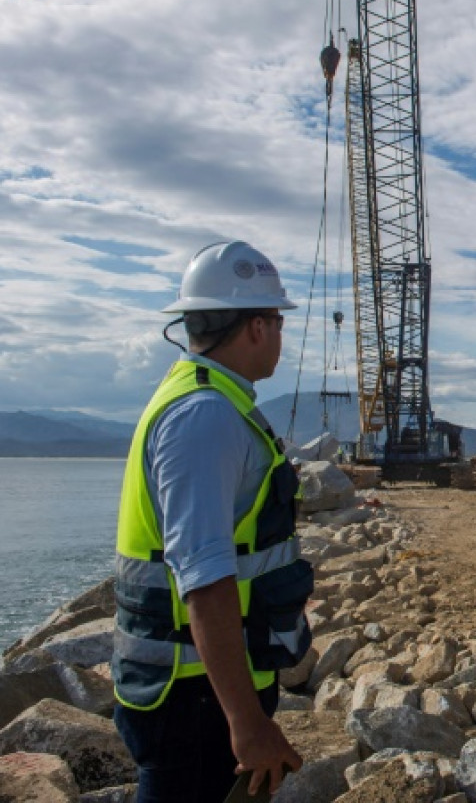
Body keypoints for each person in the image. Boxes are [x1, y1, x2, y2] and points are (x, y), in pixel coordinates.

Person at [112, 241, 313, 802]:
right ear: (254, 327)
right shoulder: (205, 417)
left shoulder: (210, 401)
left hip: (199, 686)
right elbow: (204, 580)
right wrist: (245, 723)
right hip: (193, 695)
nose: (280, 334)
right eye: (277, 320)